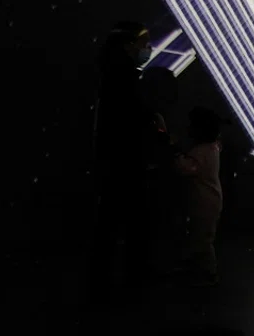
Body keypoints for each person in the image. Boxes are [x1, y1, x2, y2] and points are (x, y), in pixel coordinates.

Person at [88, 21, 171, 300]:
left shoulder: (113, 72)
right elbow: (132, 112)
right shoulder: (122, 76)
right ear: (127, 45)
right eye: (143, 43)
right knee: (128, 217)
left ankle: (109, 279)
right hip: (124, 157)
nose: (147, 48)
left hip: (117, 156)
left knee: (113, 219)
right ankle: (131, 276)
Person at [173, 106, 227, 287]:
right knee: (201, 235)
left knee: (203, 238)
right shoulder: (213, 148)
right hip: (209, 201)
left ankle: (209, 272)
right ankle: (199, 267)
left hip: (204, 202)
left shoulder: (201, 152)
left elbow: (186, 168)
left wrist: (177, 154)